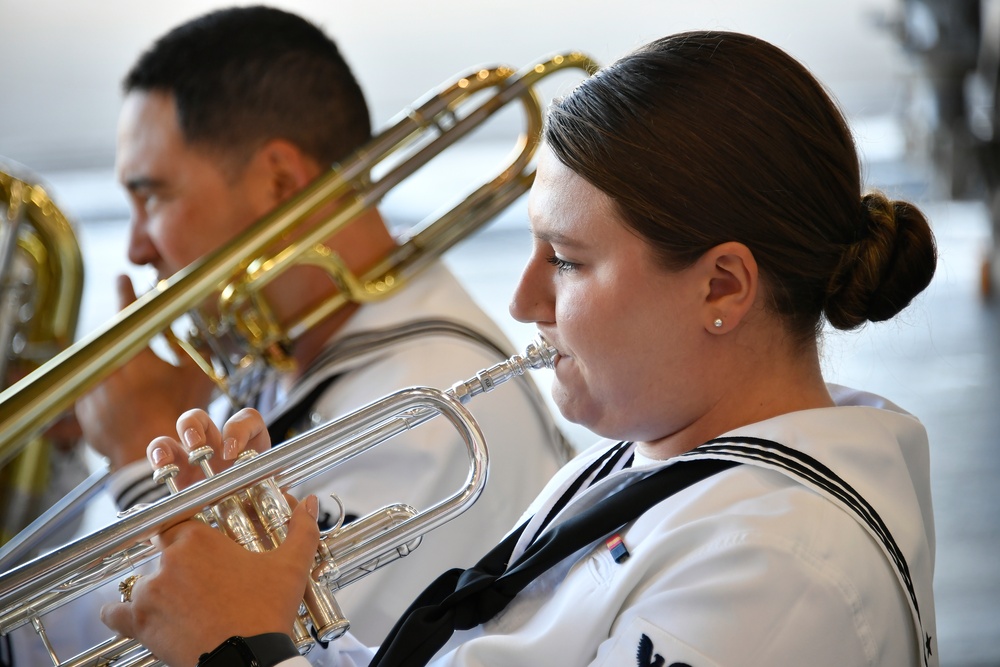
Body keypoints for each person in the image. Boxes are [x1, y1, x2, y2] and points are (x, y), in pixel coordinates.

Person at [100, 30, 939, 667]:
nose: (522, 299)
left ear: (722, 286)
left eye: (567, 262)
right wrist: (273, 598)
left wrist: (240, 646)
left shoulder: (776, 567)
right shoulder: (639, 459)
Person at [7, 5, 568, 663]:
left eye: (152, 195)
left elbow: (244, 646)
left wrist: (141, 452)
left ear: (278, 180)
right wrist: (81, 450)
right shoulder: (280, 358)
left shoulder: (435, 403)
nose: (134, 249)